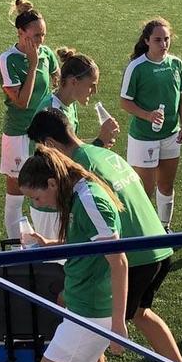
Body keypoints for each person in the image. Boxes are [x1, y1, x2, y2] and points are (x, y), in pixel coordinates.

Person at [27, 109, 182, 362]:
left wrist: (116, 325)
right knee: (141, 313)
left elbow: (103, 228)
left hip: (134, 254)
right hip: (157, 243)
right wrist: (55, 243)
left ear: (50, 144)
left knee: (78, 308)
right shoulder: (99, 153)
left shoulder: (77, 168)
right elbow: (97, 226)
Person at [19, 146, 128, 362]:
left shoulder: (90, 200)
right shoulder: (78, 194)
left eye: (37, 196)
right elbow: (87, 242)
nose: (38, 204)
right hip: (85, 310)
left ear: (52, 183)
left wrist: (119, 324)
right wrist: (51, 245)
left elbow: (119, 261)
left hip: (89, 315)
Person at [31, 47, 120, 240]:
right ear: (73, 81)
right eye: (91, 85)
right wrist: (99, 142)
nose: (95, 91)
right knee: (56, 265)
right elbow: (59, 159)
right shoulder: (53, 111)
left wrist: (99, 142)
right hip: (49, 200)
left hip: (60, 195)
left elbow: (69, 147)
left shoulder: (67, 106)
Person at [0, 0, 60, 241]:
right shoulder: (7, 60)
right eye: (36, 35)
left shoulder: (47, 54)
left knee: (46, 189)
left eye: (43, 35)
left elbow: (55, 82)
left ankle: (47, 243)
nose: (40, 41)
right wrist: (33, 65)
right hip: (19, 133)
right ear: (20, 32)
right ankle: (15, 250)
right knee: (16, 195)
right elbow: (21, 102)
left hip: (44, 134)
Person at [120, 18, 182, 233]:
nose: (163, 44)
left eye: (166, 39)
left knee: (167, 186)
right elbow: (124, 102)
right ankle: (139, 230)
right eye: (158, 40)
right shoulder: (137, 67)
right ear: (147, 41)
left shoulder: (176, 64)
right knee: (144, 190)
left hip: (171, 135)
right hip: (143, 137)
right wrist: (147, 116)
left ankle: (164, 227)